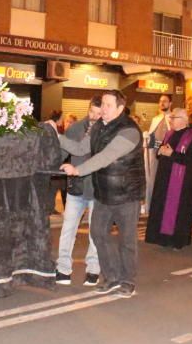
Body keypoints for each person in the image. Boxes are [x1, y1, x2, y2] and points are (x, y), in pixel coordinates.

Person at [57, 90, 145, 298]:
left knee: (127, 240)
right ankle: (112, 277)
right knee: (98, 234)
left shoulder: (129, 130)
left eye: (108, 105)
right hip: (104, 192)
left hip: (126, 194)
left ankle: (127, 280)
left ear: (120, 109)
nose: (103, 109)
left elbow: (106, 156)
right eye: (102, 104)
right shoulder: (98, 127)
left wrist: (77, 170)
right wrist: (56, 135)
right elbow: (79, 148)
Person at [54, 97, 102, 286]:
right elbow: (63, 152)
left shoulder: (106, 131)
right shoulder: (74, 129)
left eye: (99, 114)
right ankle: (63, 268)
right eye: (92, 112)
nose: (95, 117)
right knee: (68, 229)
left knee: (95, 231)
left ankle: (93, 269)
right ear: (88, 108)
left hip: (97, 186)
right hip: (77, 186)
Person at [145, 108, 192, 249]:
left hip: (181, 182)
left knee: (178, 211)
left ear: (183, 119)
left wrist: (172, 154)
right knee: (161, 207)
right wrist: (160, 151)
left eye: (173, 117)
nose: (170, 120)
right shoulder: (169, 133)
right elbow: (161, 152)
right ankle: (161, 238)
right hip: (164, 177)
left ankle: (176, 240)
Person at [144, 94, 172, 213]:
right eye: (160, 101)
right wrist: (147, 137)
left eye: (165, 101)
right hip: (155, 155)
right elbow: (151, 138)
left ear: (170, 103)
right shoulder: (155, 119)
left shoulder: (173, 118)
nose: (162, 103)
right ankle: (152, 206)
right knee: (153, 180)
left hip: (168, 155)